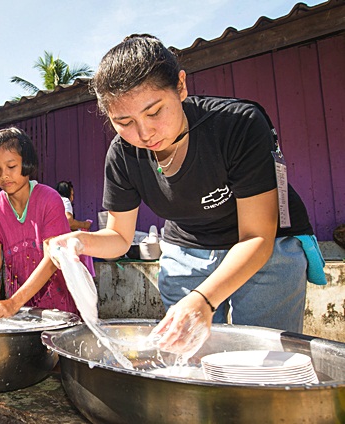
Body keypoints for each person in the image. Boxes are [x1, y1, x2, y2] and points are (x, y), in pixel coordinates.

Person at [49, 34, 321, 355]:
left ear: (180, 86)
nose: (145, 133)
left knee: (264, 356)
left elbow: (257, 236)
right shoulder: (122, 155)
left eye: (154, 112)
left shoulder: (237, 125)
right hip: (188, 249)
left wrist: (204, 298)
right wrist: (79, 241)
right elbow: (119, 237)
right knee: (190, 360)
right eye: (124, 122)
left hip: (264, 247)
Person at [0, 127, 77, 318]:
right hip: (20, 308)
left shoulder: (49, 200)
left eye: (11, 166)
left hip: (59, 303)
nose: (4, 175)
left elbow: (53, 258)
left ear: (27, 162)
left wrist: (13, 302)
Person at [55, 180, 95, 277]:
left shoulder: (53, 200)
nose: (72, 198)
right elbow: (69, 222)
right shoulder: (65, 201)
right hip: (63, 242)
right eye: (72, 194)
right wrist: (84, 225)